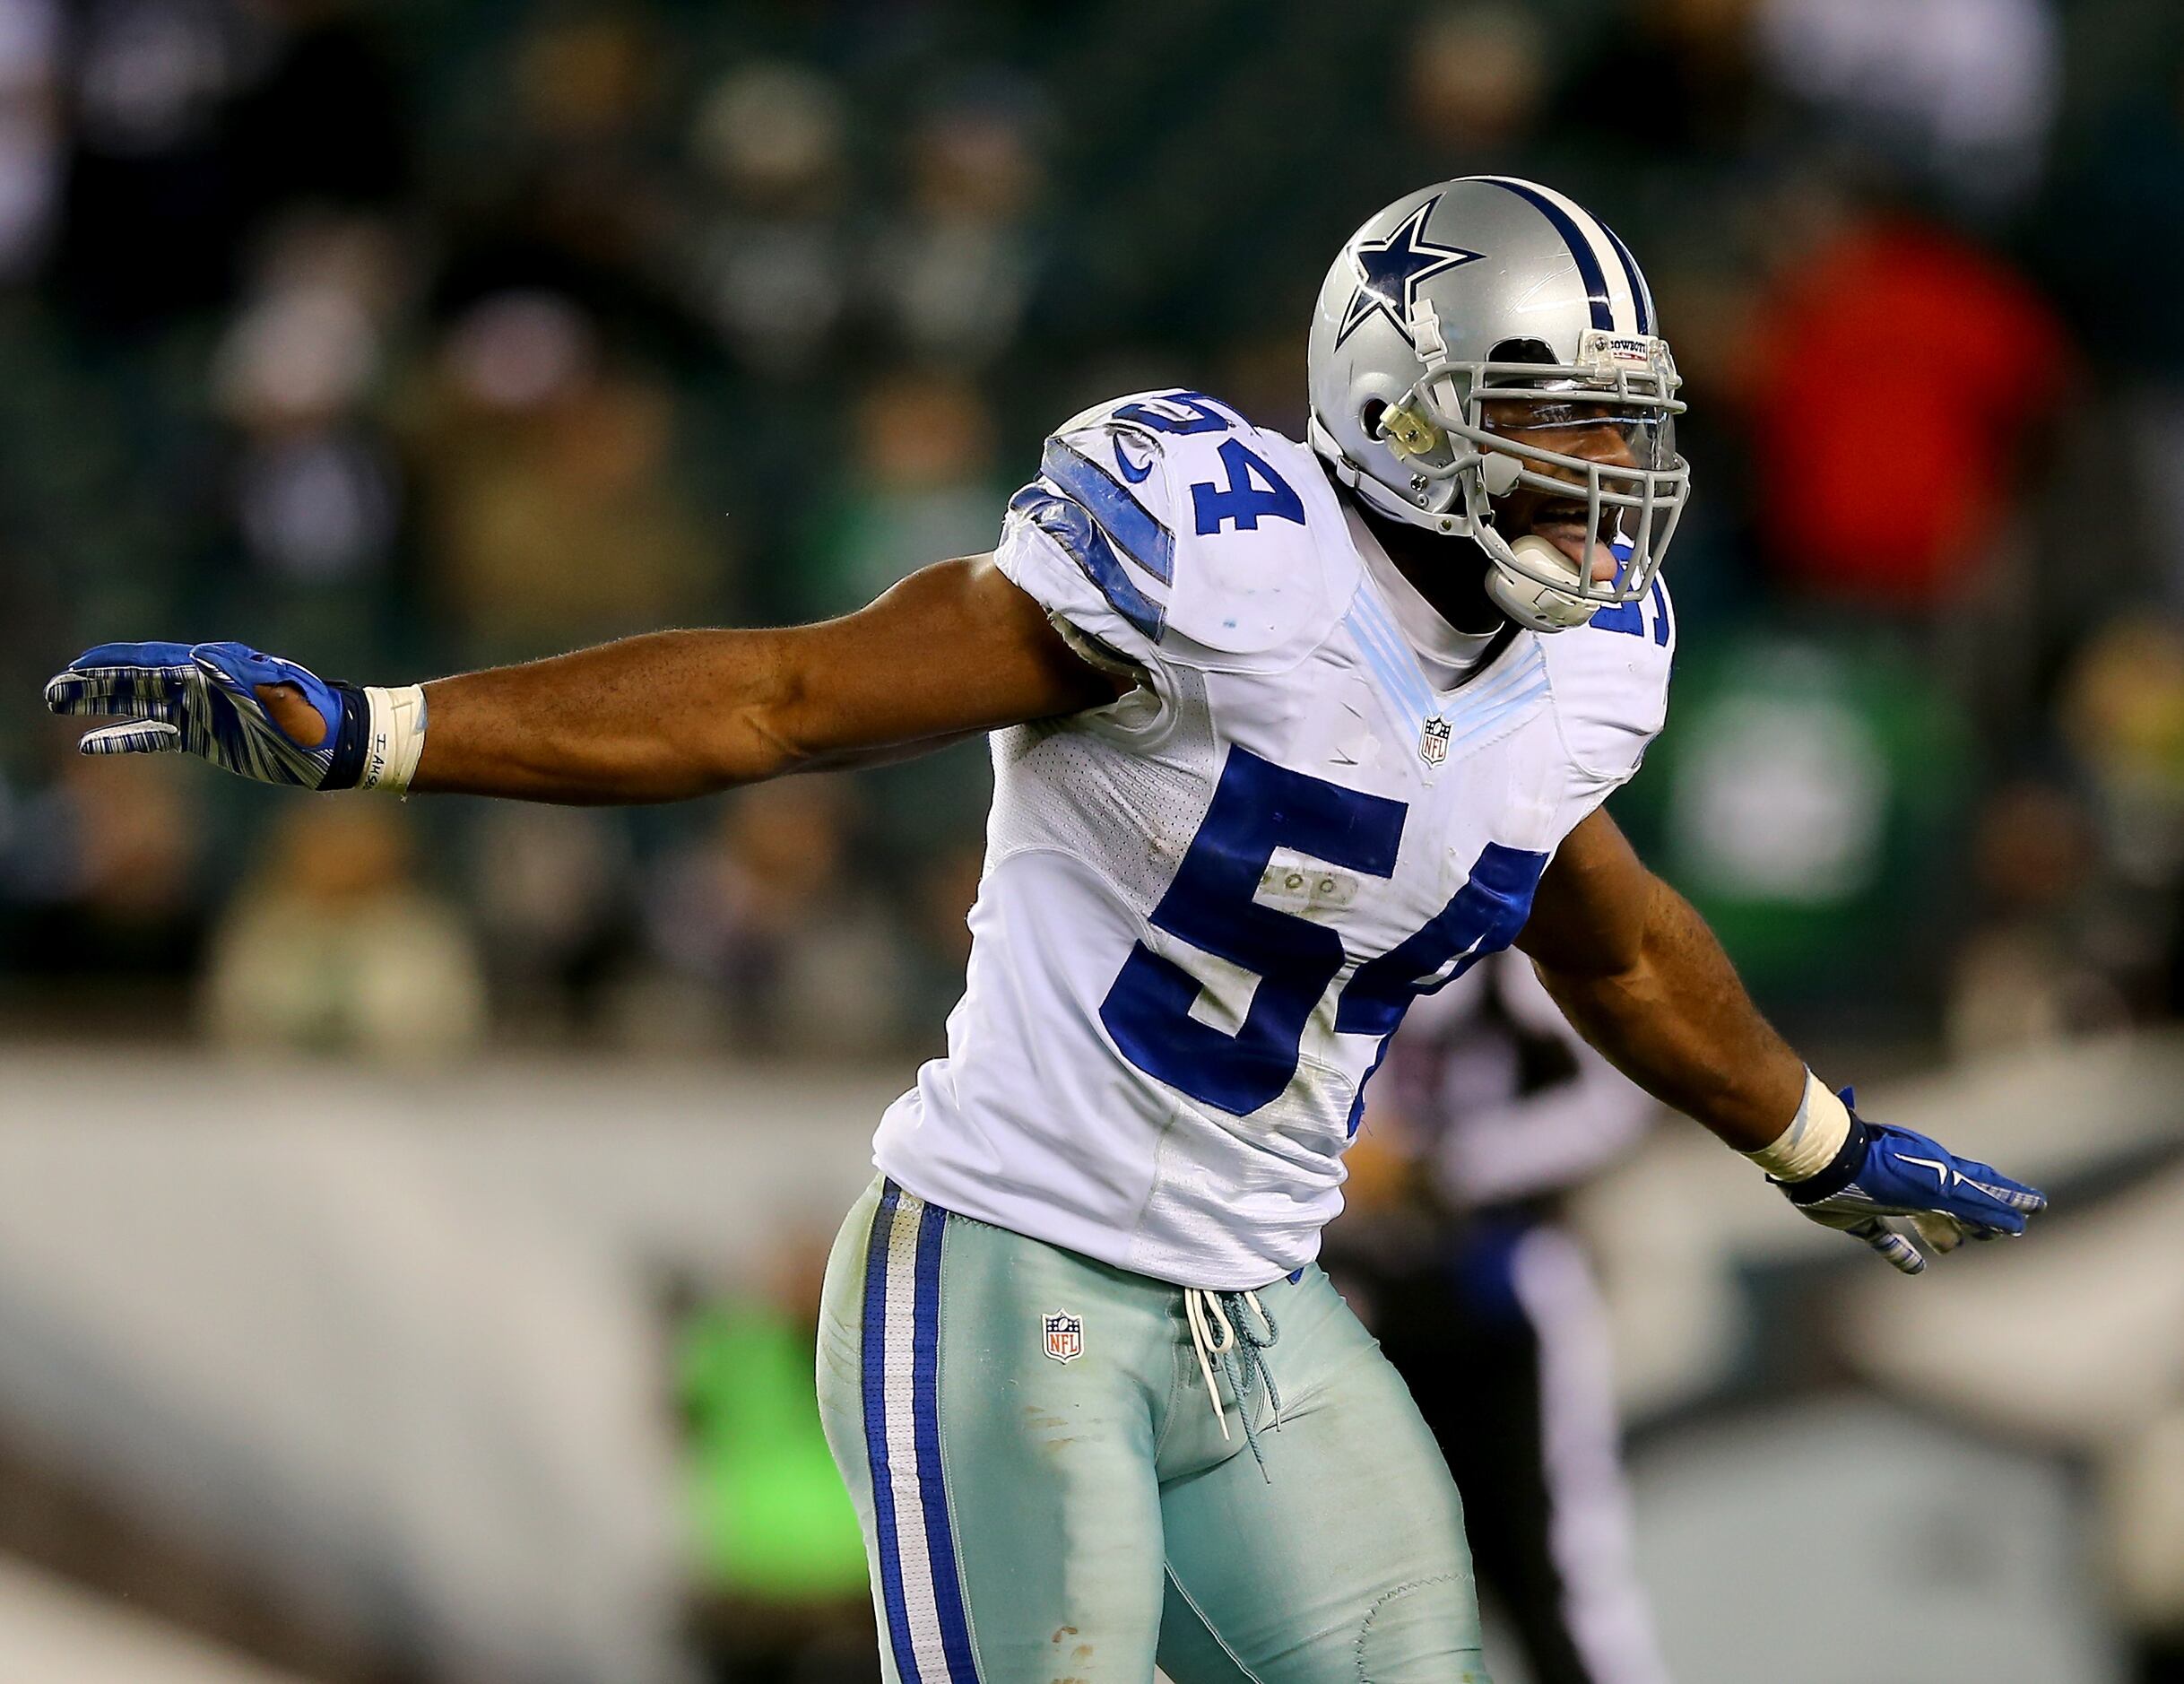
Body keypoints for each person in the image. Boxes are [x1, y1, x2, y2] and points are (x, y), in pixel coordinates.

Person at [46, 177, 2046, 1684]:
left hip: (1264, 1311)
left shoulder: (1590, 662)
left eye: (1624, 424)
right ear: (1402, 404)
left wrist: (1821, 1145)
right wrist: (383, 732)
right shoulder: (1215, 552)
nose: (1608, 475)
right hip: (1010, 1280)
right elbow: (784, 698)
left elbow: (1605, 931)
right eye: (1555, 414)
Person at [1329, 949, 1670, 1684]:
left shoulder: (1508, 963)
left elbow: (1624, 1091)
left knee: (1559, 1568)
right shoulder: (1333, 944)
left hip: (1510, 1299)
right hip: (1372, 1305)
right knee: (1386, 1591)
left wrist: (1448, 1166)